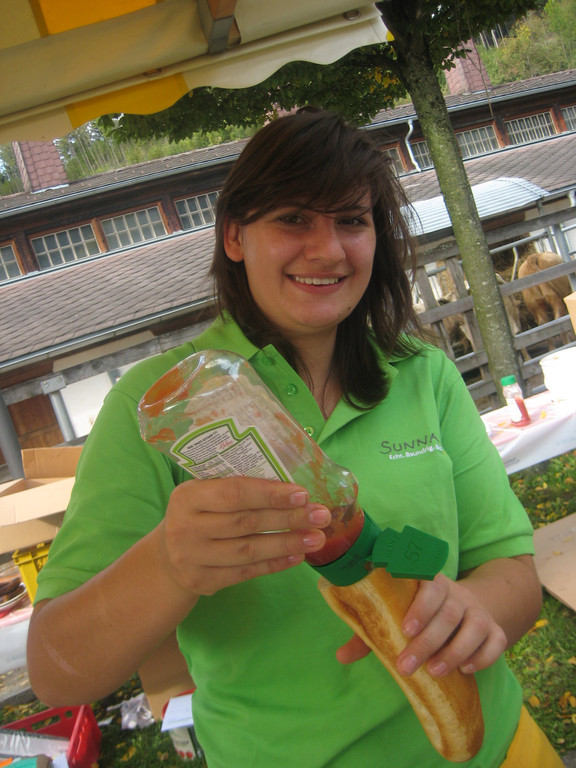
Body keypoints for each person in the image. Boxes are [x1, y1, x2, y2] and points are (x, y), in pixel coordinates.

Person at [27, 107, 562, 768]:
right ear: (234, 235)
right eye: (292, 219)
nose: (328, 250)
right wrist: (168, 563)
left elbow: (511, 571)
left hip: (504, 749)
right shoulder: (159, 405)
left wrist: (475, 609)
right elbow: (56, 672)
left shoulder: (422, 373)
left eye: (352, 221)